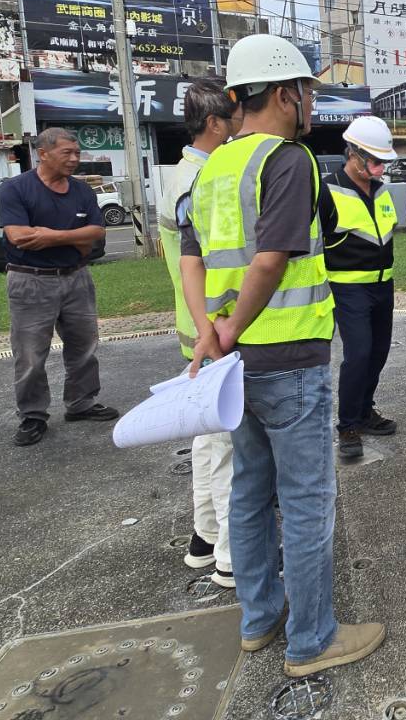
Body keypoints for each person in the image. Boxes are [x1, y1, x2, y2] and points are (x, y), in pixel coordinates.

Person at [183, 34, 384, 677]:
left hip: (232, 366)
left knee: (249, 491)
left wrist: (211, 334)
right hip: (288, 357)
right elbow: (271, 259)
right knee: (305, 500)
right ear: (281, 93)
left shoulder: (214, 164)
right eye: (308, 92)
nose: (311, 104)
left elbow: (192, 258)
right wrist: (235, 329)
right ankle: (312, 639)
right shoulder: (289, 159)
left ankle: (259, 620)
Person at [158, 79, 241, 587]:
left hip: (196, 327)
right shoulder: (201, 181)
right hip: (210, 329)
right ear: (214, 123)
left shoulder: (184, 173)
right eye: (232, 117)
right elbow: (203, 262)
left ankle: (205, 537)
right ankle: (233, 557)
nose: (238, 125)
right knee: (230, 446)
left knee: (210, 441)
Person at [0, 128, 115, 447]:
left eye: (77, 153)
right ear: (43, 153)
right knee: (31, 352)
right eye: (67, 153)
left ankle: (81, 403)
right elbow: (19, 236)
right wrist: (75, 238)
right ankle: (33, 415)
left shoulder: (82, 191)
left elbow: (97, 231)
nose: (75, 159)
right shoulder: (15, 189)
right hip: (30, 279)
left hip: (76, 276)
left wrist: (51, 237)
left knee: (84, 344)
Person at [318, 114, 401, 461]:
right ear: (353, 154)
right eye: (375, 161)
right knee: (359, 354)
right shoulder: (327, 191)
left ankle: (365, 412)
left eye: (384, 161)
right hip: (349, 288)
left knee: (379, 353)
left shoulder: (380, 189)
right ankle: (348, 425)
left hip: (383, 286)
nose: (381, 168)